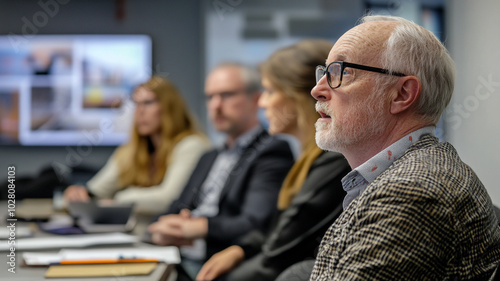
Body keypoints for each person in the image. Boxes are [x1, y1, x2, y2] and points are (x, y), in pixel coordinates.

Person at [307, 14, 500, 280]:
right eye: (325, 72)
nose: (317, 90)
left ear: (402, 94)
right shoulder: (413, 174)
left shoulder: (410, 193)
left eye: (342, 71)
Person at [195, 40, 351, 281]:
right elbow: (279, 229)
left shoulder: (333, 158)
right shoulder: (310, 157)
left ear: (298, 96)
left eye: (269, 91)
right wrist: (241, 249)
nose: (261, 102)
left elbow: (278, 255)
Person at [147, 63, 295, 280]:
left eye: (226, 95)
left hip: (220, 267)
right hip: (179, 260)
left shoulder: (272, 151)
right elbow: (176, 207)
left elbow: (255, 223)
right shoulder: (209, 156)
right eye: (210, 97)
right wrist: (161, 229)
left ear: (255, 100)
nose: (215, 105)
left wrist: (197, 228)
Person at [64, 76, 210, 215]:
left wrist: (117, 201)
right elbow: (96, 191)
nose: (140, 111)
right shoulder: (132, 150)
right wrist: (78, 194)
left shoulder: (191, 145)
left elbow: (168, 199)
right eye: (136, 104)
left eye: (148, 103)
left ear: (169, 108)